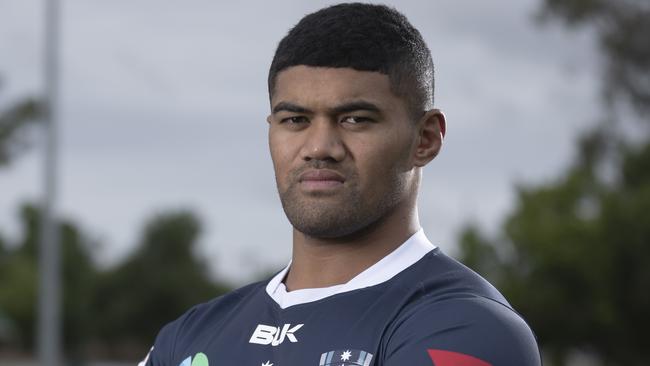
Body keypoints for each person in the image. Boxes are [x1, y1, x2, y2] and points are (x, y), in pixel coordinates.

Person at [140, 3, 541, 366]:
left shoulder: (466, 328)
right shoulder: (189, 337)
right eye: (295, 120)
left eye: (355, 119)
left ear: (425, 139)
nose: (319, 147)